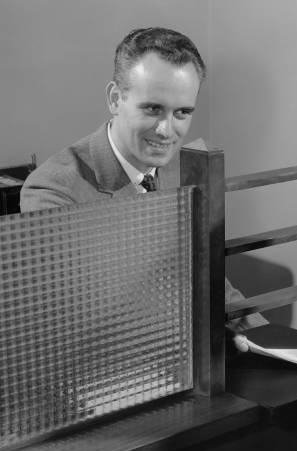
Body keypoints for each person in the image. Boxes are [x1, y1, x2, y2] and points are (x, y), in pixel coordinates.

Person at [20, 27, 265, 332]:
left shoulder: (185, 172)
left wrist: (284, 344)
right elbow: (84, 319)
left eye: (182, 113)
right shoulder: (53, 190)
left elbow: (212, 283)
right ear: (114, 99)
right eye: (153, 108)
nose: (166, 130)